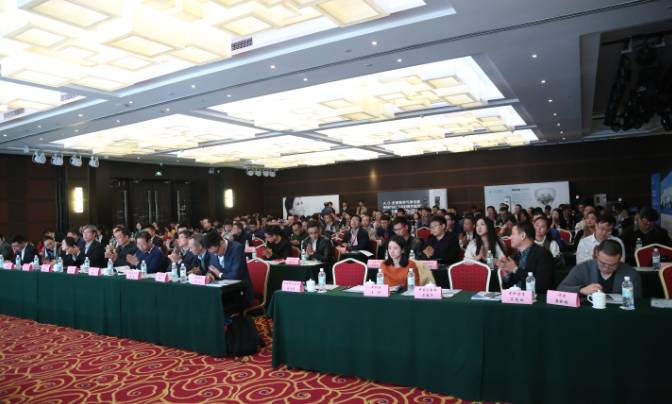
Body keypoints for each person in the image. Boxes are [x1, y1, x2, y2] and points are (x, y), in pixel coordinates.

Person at [558, 240, 642, 297]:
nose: (606, 268)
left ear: (620, 259)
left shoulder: (631, 274)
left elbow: (637, 301)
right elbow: (560, 289)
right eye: (602, 263)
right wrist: (581, 290)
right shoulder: (583, 268)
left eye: (612, 265)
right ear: (596, 255)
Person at [496, 221, 554, 294]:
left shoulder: (543, 254)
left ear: (523, 236)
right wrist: (507, 274)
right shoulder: (516, 256)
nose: (510, 237)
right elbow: (507, 288)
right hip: (515, 297)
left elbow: (542, 285)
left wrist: (515, 269)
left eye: (513, 234)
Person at [203, 232, 252, 302]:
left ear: (222, 242)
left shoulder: (237, 248)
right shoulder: (212, 251)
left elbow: (235, 276)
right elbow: (212, 268)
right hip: (223, 291)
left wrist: (219, 274)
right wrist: (210, 274)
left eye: (216, 251)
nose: (215, 255)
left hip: (239, 292)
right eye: (212, 253)